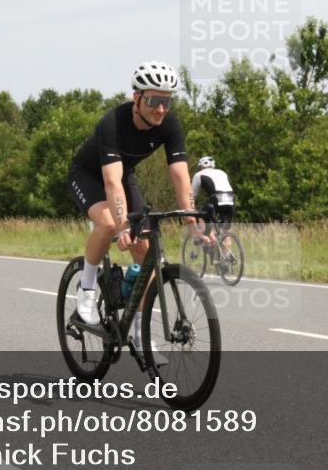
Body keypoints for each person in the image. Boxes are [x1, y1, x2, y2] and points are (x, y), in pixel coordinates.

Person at [65, 61, 206, 357]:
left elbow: (180, 175)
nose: (161, 109)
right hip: (89, 176)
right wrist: (123, 225)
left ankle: (140, 335)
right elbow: (110, 181)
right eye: (155, 100)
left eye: (167, 101)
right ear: (137, 98)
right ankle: (87, 290)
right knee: (107, 223)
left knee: (146, 255)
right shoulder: (112, 123)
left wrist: (191, 219)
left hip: (123, 175)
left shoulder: (169, 123)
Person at [191, 156, 235, 231]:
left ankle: (206, 237)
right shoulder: (223, 173)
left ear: (201, 166)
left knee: (201, 215)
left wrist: (191, 209)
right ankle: (224, 240)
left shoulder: (199, 174)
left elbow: (192, 195)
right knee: (224, 230)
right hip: (231, 199)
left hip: (216, 199)